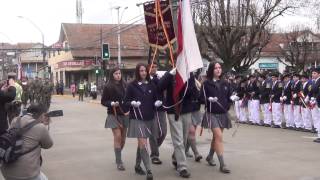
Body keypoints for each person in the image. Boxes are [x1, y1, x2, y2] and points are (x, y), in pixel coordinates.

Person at [157, 69, 197, 178]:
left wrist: (183, 82)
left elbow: (192, 93)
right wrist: (170, 75)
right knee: (178, 140)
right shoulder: (170, 74)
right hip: (173, 110)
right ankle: (182, 167)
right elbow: (160, 87)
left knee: (183, 139)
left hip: (186, 110)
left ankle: (176, 157)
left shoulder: (189, 74)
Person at [124, 63, 159, 180]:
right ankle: (149, 170)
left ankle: (137, 165)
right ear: (137, 72)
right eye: (141, 71)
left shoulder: (151, 85)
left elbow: (156, 99)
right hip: (137, 118)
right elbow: (125, 102)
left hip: (150, 117)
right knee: (144, 143)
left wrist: (157, 103)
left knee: (141, 143)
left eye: (145, 70)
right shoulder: (131, 86)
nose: (143, 73)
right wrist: (132, 103)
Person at [1, 103, 53, 180]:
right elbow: (48, 145)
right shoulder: (40, 127)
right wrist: (44, 126)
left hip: (6, 171)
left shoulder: (15, 120)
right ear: (43, 115)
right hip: (27, 175)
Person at [199, 62, 232, 174]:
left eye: (219, 68)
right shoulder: (206, 84)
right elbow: (201, 99)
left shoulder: (226, 83)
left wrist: (229, 103)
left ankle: (209, 156)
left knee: (216, 138)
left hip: (223, 113)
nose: (218, 70)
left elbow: (229, 98)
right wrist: (208, 99)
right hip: (211, 113)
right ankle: (222, 164)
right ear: (211, 70)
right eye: (215, 68)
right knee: (218, 136)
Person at [101, 67, 128, 171]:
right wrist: (111, 103)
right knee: (117, 136)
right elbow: (103, 101)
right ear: (112, 75)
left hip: (124, 114)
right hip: (113, 114)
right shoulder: (108, 86)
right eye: (116, 73)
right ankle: (119, 161)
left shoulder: (126, 85)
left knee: (123, 140)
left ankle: (118, 154)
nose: (118, 75)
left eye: (119, 73)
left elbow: (129, 98)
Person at [148, 63, 166, 165]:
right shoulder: (147, 80)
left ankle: (154, 148)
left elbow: (162, 88)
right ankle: (155, 155)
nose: (154, 68)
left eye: (155, 66)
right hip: (151, 109)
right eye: (152, 66)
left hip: (161, 108)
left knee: (163, 132)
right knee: (154, 133)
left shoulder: (159, 78)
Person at [185, 71, 203, 162]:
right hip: (187, 110)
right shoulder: (185, 80)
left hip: (196, 109)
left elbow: (201, 96)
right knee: (191, 132)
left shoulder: (198, 82)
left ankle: (185, 150)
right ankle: (196, 153)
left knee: (191, 133)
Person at [310, 67, 320, 143]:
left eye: (314, 73)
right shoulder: (314, 81)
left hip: (318, 102)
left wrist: (315, 98)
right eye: (312, 73)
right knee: (316, 118)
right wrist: (309, 97)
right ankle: (319, 135)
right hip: (315, 102)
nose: (313, 74)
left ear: (319, 74)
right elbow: (312, 91)